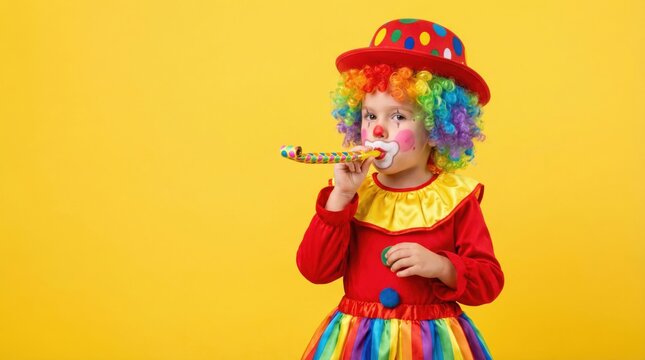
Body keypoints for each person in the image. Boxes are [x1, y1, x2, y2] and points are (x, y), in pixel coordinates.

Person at [296, 19, 504, 360]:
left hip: (432, 346)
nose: (377, 129)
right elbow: (314, 269)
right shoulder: (353, 193)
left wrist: (441, 266)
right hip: (358, 344)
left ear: (438, 128)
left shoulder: (456, 199)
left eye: (399, 117)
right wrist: (341, 196)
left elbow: (489, 281)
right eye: (368, 115)